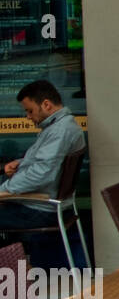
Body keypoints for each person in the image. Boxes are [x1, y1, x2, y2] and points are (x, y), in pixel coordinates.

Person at [0, 80, 88, 267]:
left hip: (40, 208)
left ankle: (12, 276)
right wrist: (20, 162)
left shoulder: (59, 131)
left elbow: (41, 173)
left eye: (30, 110)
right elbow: (47, 161)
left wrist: (4, 190)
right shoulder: (61, 127)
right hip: (47, 203)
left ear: (46, 105)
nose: (27, 117)